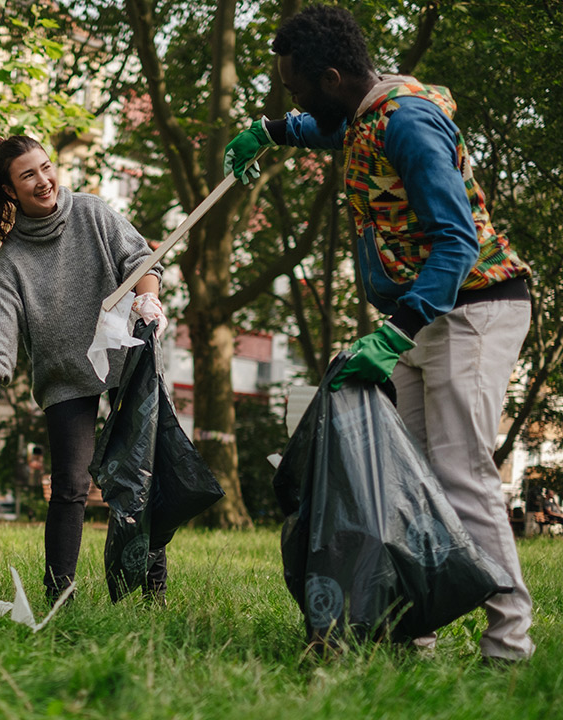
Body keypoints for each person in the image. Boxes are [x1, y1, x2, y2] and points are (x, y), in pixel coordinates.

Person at [224, 5, 534, 662]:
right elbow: (331, 130)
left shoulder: (409, 123)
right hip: (424, 314)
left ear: (333, 76)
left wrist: (394, 334)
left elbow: (455, 241)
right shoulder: (366, 113)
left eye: (296, 88)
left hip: (475, 307)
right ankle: (411, 632)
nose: (293, 97)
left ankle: (509, 646)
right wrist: (272, 131)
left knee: (460, 475)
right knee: (407, 478)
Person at [0, 135, 168, 603]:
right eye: (28, 175)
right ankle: (58, 595)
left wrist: (148, 298)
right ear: (10, 190)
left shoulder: (92, 212)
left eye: (46, 167)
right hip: (65, 376)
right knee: (70, 485)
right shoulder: (12, 262)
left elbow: (142, 260)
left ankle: (151, 592)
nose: (44, 180)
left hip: (125, 356)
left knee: (140, 476)